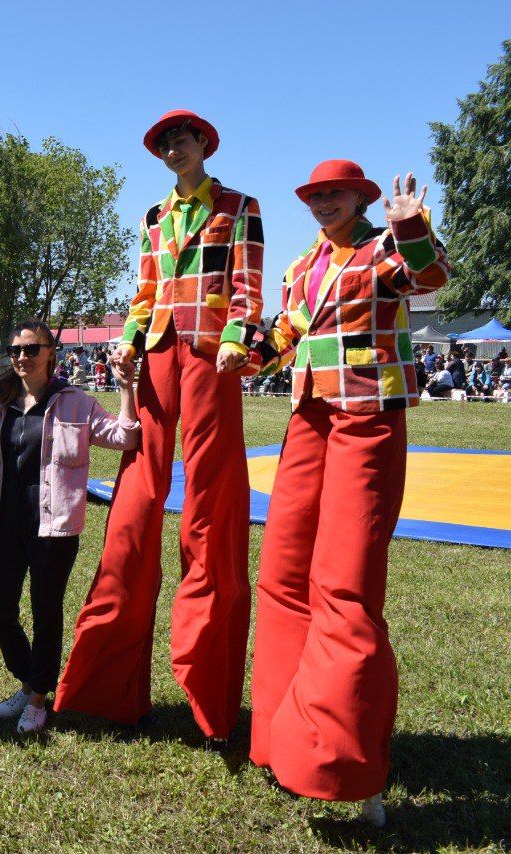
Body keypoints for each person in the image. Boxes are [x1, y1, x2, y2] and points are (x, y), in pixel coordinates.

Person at [56, 110, 263, 745]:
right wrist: (126, 342)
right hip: (157, 359)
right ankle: (107, 690)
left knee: (210, 505)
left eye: (183, 139)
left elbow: (249, 290)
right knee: (135, 503)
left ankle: (210, 697)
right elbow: (144, 294)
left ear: (205, 144)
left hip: (209, 359)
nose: (174, 149)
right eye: (165, 143)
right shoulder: (152, 218)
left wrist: (234, 342)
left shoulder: (239, 205)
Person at [248, 163, 447, 826]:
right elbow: (285, 336)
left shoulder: (383, 246)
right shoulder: (305, 262)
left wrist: (411, 226)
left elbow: (431, 277)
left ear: (361, 199)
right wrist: (237, 349)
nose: (323, 204)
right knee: (281, 574)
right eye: (314, 196)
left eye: (334, 194)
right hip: (308, 416)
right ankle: (287, 742)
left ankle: (352, 770)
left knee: (346, 582)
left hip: (368, 416)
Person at [0, 320, 138, 733]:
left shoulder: (74, 402)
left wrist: (127, 388)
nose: (21, 357)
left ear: (50, 353)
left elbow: (125, 437)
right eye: (15, 351)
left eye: (30, 349)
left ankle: (38, 700)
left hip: (54, 526)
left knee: (46, 613)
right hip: (1, 522)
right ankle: (33, 682)